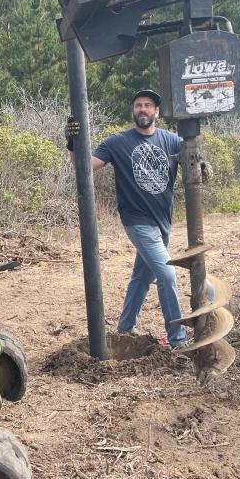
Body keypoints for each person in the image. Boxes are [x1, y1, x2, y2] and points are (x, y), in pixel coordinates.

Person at [69, 89, 190, 348]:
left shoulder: (172, 142)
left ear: (156, 112)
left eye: (148, 106)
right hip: (137, 222)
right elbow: (84, 167)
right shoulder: (118, 143)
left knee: (142, 277)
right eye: (138, 105)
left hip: (164, 222)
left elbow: (194, 161)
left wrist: (201, 165)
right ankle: (178, 341)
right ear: (133, 111)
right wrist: (73, 144)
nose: (143, 110)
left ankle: (125, 327)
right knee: (167, 275)